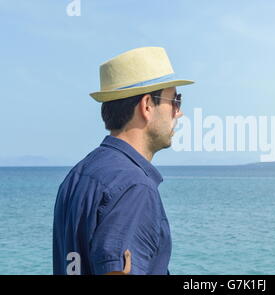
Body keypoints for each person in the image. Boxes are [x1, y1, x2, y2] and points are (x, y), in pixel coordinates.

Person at [53, 47, 194, 275]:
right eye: (175, 101)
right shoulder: (134, 188)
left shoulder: (77, 175)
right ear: (147, 105)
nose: (178, 113)